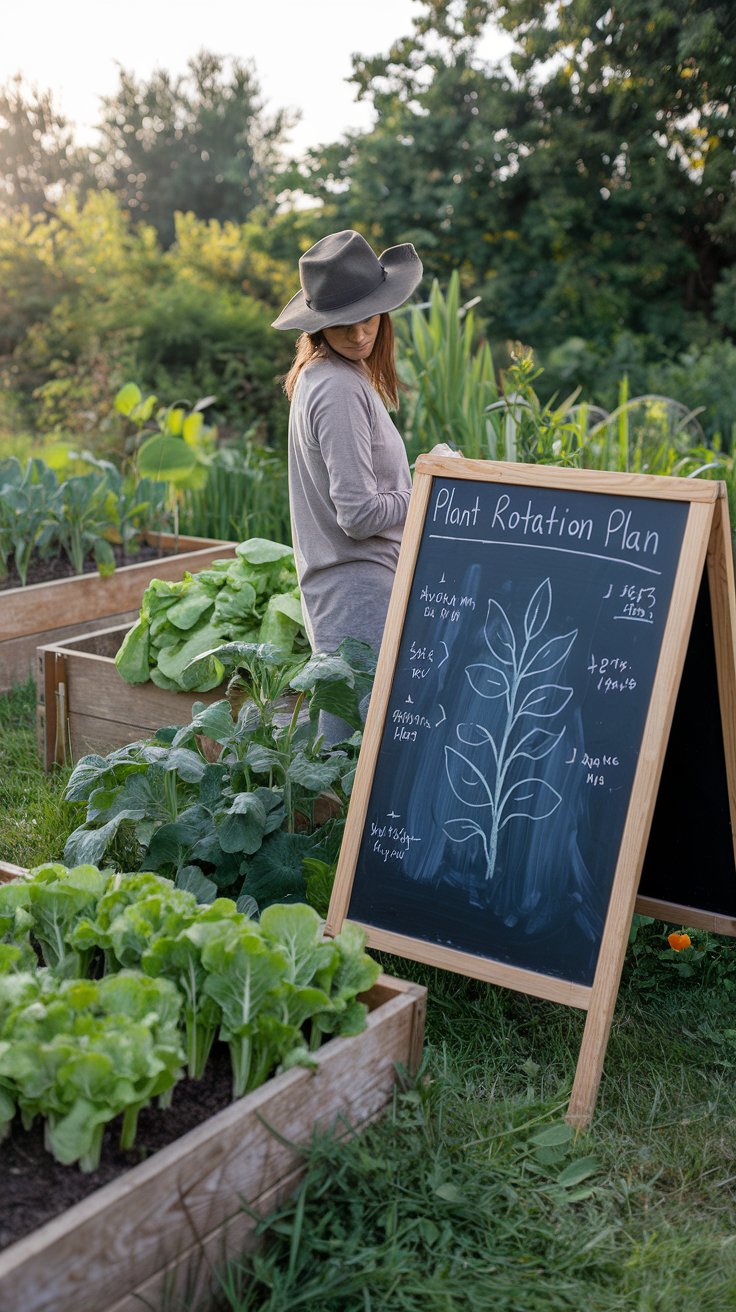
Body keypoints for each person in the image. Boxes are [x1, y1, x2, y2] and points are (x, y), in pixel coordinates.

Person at [272, 228, 424, 743]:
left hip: (347, 592)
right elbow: (357, 515)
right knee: (355, 764)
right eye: (342, 324)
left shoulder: (329, 375)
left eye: (369, 318)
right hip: (360, 596)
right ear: (318, 325)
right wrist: (428, 482)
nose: (360, 334)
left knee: (346, 759)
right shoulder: (336, 387)